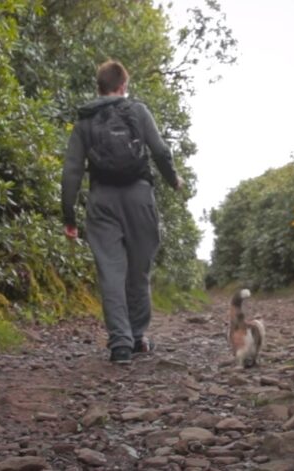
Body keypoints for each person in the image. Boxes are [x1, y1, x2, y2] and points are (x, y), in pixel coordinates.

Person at [61, 60, 183, 364]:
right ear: (123, 86)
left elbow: (72, 171)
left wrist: (69, 216)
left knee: (111, 273)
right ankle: (139, 337)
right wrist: (173, 180)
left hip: (102, 199)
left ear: (98, 87)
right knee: (139, 271)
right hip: (139, 196)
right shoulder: (138, 111)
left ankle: (120, 345)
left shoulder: (85, 120)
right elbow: (160, 151)